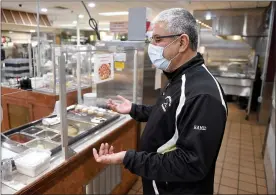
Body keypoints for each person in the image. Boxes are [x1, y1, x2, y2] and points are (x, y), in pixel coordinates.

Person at [93, 8, 228, 195]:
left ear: (182, 42)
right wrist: (134, 109)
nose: (152, 46)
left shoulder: (203, 95)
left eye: (157, 39)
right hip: (159, 184)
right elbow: (168, 112)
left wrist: (128, 158)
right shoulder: (178, 77)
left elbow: (191, 163)